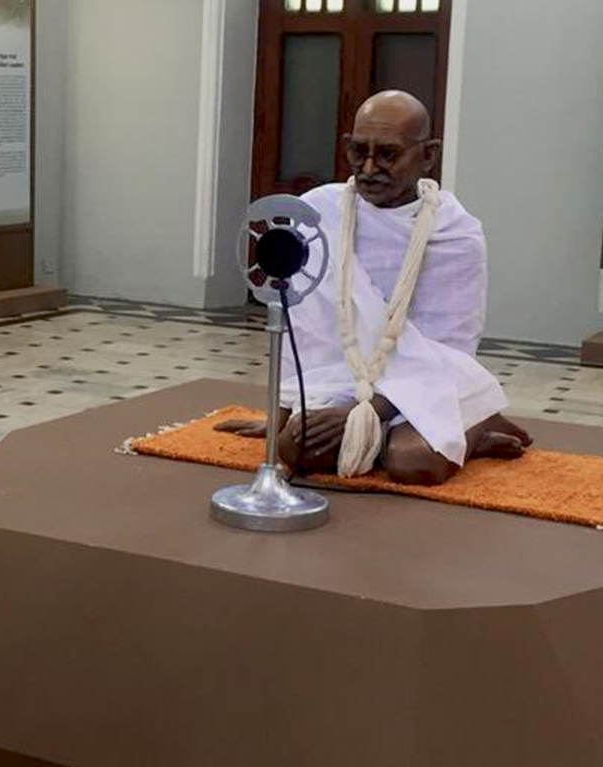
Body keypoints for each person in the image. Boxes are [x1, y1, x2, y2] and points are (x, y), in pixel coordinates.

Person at [221, 90, 531, 485]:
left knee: (413, 462)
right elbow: (305, 330)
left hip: (426, 381)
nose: (368, 168)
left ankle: (475, 428)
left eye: (387, 154)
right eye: (357, 152)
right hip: (342, 378)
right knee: (296, 449)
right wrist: (281, 418)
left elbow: (450, 352)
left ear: (429, 155)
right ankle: (434, 429)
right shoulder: (321, 212)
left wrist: (365, 413)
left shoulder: (454, 232)